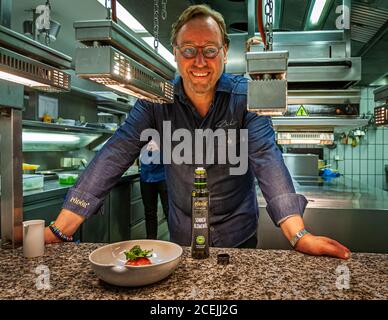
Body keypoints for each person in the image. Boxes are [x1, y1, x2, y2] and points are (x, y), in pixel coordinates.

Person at [45, 5, 350, 259]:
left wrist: (299, 235)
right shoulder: (155, 101)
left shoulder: (245, 100)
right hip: (183, 237)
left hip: (239, 236)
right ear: (175, 53)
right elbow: (116, 152)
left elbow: (266, 158)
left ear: (224, 51)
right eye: (189, 50)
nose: (200, 61)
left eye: (210, 50)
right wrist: (61, 229)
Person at [139, 140, 169, 239]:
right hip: (146, 176)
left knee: (169, 211)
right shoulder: (140, 132)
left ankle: (176, 243)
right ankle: (151, 242)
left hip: (164, 176)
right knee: (149, 213)